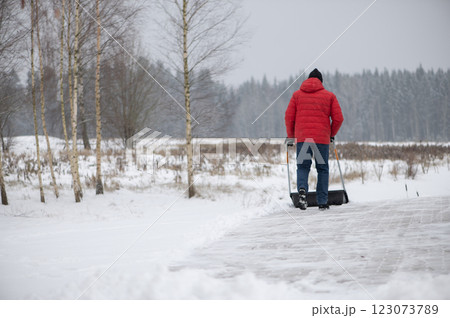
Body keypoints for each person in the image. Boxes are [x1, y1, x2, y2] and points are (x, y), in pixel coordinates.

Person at [285, 68, 344, 211]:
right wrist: (331, 134)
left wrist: (291, 135)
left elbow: (288, 117)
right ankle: (322, 202)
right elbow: (338, 118)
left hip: (303, 139)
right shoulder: (329, 96)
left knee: (303, 167)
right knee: (322, 169)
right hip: (321, 140)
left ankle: (302, 191)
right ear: (321, 81)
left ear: (307, 80)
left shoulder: (296, 95)